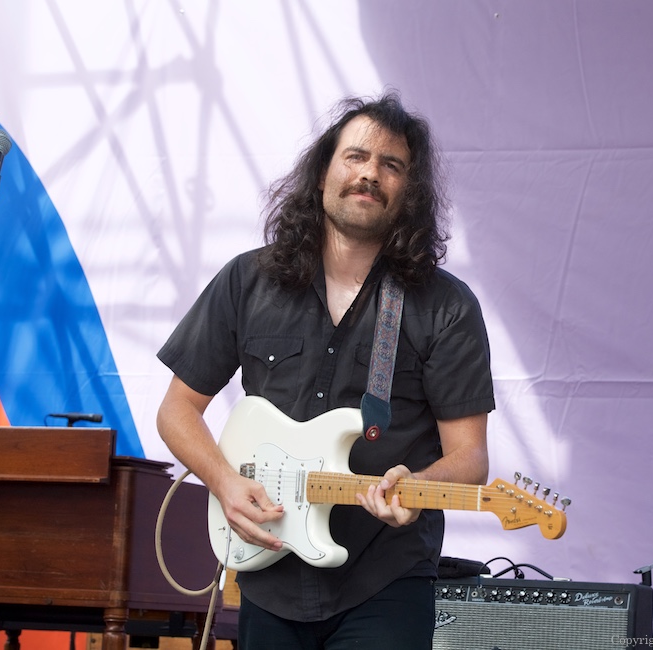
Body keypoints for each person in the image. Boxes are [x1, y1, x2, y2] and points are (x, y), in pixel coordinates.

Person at [156, 91, 495, 649]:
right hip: (268, 569)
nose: (370, 174)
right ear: (322, 173)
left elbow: (471, 457)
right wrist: (223, 480)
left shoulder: (445, 306)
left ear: (409, 193)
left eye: (392, 166)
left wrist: (416, 486)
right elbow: (177, 409)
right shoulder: (248, 281)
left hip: (384, 577)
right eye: (356, 157)